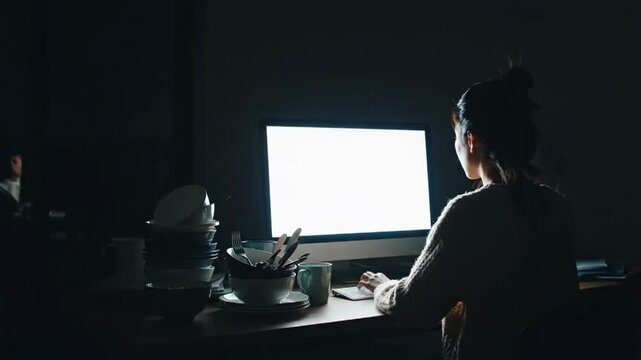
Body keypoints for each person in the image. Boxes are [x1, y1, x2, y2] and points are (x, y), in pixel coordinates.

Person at [358, 66, 578, 360]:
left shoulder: (468, 213)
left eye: (456, 136)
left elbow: (414, 308)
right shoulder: (556, 206)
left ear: (471, 140)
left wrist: (382, 287)